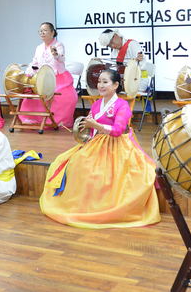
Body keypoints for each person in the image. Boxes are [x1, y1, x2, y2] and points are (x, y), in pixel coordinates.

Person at [39, 69, 161, 229]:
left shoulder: (122, 105)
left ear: (116, 85)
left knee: (103, 173)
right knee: (69, 162)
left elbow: (118, 130)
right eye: (99, 82)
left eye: (105, 82)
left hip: (118, 146)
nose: (101, 85)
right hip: (96, 143)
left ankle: (101, 207)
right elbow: (90, 130)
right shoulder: (96, 105)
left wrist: (96, 125)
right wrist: (82, 129)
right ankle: (81, 205)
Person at [19, 22, 77, 128]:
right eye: (40, 31)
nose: (42, 33)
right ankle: (35, 119)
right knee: (31, 94)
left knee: (60, 96)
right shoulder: (39, 48)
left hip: (57, 77)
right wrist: (27, 72)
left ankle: (56, 120)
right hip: (42, 78)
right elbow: (35, 63)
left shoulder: (58, 45)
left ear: (52, 32)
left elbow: (61, 59)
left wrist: (55, 54)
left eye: (45, 30)